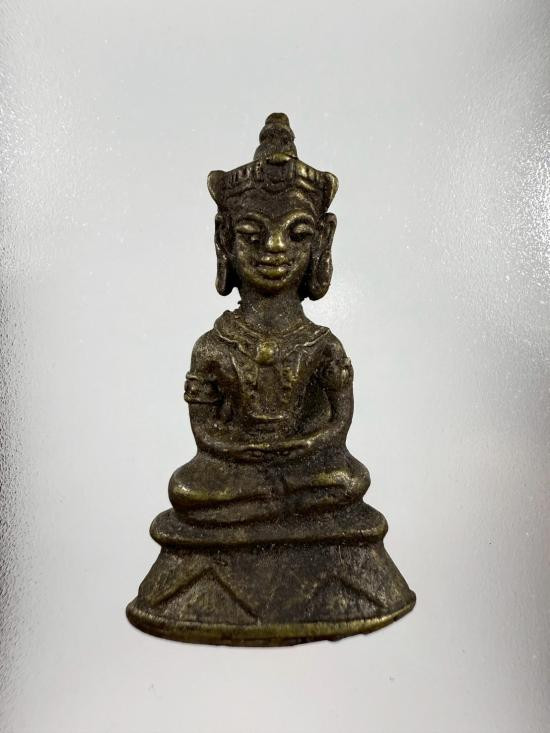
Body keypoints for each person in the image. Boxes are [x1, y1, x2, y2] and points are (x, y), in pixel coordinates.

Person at [169, 113, 370, 525]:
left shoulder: (322, 346)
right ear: (225, 239)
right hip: (236, 468)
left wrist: (306, 446)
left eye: (297, 234)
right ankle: (275, 500)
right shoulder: (213, 347)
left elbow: (339, 423)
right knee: (186, 489)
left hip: (306, 467)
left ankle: (267, 502)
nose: (275, 247)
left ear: (322, 241)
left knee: (348, 480)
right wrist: (243, 453)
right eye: (251, 234)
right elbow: (204, 433)